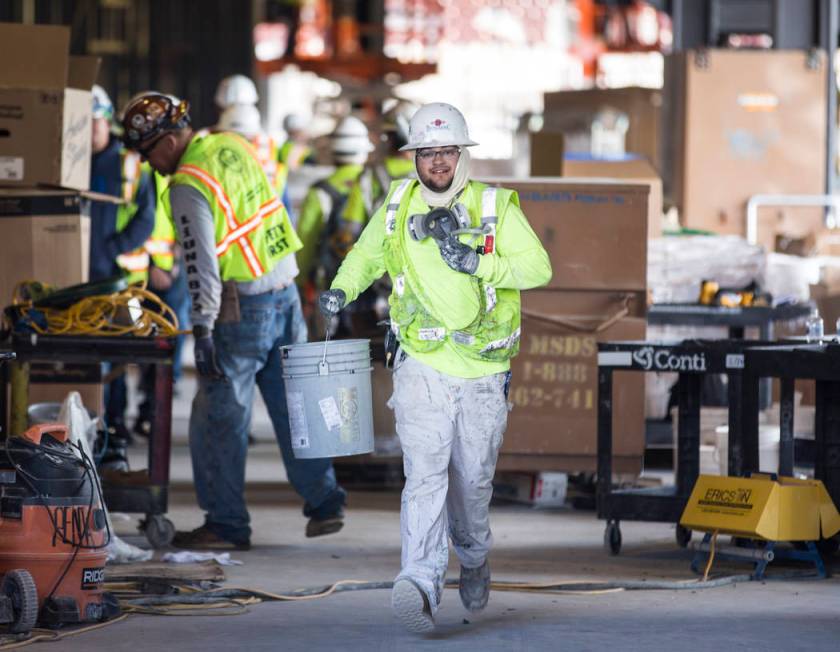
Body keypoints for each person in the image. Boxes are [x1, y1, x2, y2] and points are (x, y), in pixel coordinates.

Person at [319, 102, 552, 633]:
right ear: (415, 157)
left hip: (482, 371)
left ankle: (472, 556)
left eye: (447, 152)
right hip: (420, 364)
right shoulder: (399, 204)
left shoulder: (493, 206)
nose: (439, 162)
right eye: (429, 152)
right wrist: (339, 289)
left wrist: (481, 262)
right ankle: (421, 583)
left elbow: (539, 267)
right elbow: (365, 255)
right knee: (424, 477)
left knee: (470, 485)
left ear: (461, 155)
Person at [120, 93, 346, 549]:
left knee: (217, 418)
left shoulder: (187, 183)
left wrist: (201, 328)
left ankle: (225, 524)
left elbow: (200, 262)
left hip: (243, 308)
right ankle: (325, 500)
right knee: (293, 405)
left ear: (165, 142)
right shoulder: (232, 146)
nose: (149, 165)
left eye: (148, 154)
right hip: (283, 291)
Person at [89, 84, 156, 455]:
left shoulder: (127, 165)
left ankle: (114, 426)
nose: (89, 130)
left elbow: (147, 218)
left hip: (116, 278)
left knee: (115, 354)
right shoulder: (71, 159)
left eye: (94, 122)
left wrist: (112, 249)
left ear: (108, 121)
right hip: (76, 279)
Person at [295, 115, 375, 334]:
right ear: (364, 150)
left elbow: (305, 242)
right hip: (373, 284)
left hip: (331, 282)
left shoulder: (319, 191)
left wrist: (301, 283)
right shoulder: (376, 184)